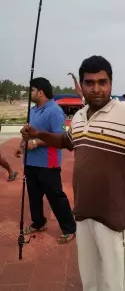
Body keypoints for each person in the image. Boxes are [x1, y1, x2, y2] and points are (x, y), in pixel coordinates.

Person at [20, 40, 125, 291]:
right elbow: (65, 140)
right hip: (83, 215)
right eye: (89, 83)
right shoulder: (80, 116)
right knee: (91, 283)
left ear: (111, 84)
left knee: (115, 285)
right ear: (82, 86)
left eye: (102, 82)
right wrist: (38, 133)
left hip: (114, 220)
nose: (96, 88)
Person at [14, 77, 76, 244]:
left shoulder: (55, 111)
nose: (30, 93)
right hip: (30, 162)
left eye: (32, 90)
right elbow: (28, 132)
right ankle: (39, 222)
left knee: (55, 196)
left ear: (40, 92)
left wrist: (36, 142)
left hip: (49, 163)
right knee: (33, 195)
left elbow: (60, 137)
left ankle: (69, 228)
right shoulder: (33, 110)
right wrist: (22, 144)